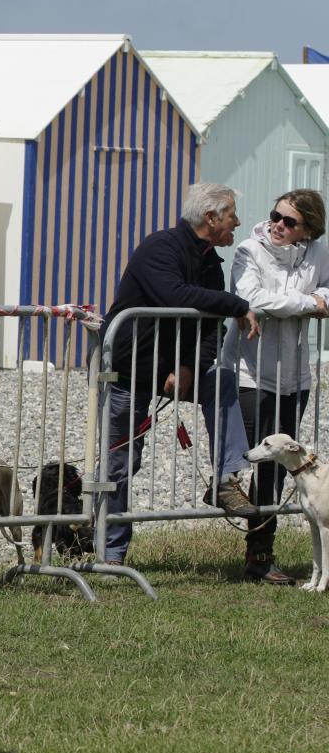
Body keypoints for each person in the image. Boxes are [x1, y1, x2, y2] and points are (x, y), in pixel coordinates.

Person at [102, 182, 261, 567]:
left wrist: (189, 367)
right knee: (121, 464)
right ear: (210, 218)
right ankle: (108, 553)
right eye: (232, 215)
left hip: (174, 370)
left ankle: (225, 479)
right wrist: (237, 304)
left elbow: (210, 328)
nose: (237, 223)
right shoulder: (160, 247)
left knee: (221, 379)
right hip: (130, 372)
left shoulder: (210, 261)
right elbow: (176, 295)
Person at [223, 189, 329, 584]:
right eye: (275, 216)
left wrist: (317, 298)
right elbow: (253, 298)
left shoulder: (318, 253)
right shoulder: (250, 250)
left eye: (289, 222)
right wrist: (307, 303)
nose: (278, 226)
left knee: (282, 467)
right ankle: (259, 554)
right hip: (252, 373)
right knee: (262, 463)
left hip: (296, 376)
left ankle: (263, 552)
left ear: (309, 230)